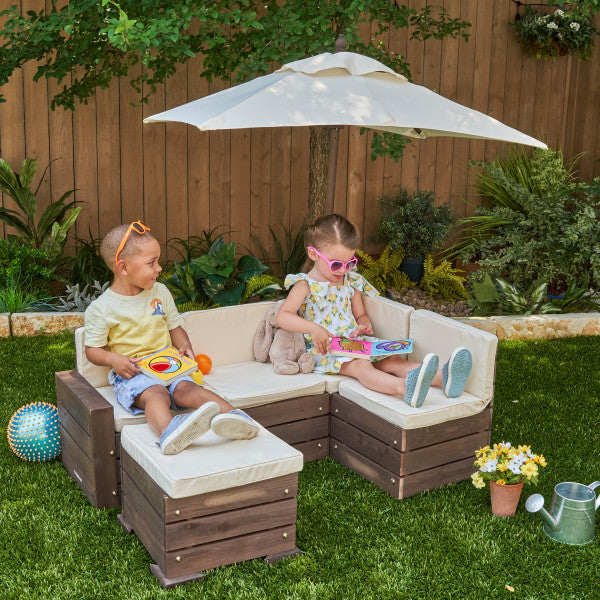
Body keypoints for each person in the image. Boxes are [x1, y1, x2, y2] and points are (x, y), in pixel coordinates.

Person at [84, 221, 259, 454]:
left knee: (188, 388)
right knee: (156, 394)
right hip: (134, 374)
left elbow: (174, 327)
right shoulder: (102, 308)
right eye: (151, 263)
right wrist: (114, 360)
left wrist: (184, 346)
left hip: (170, 366)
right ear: (123, 267)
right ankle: (169, 432)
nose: (159, 268)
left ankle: (234, 417)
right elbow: (92, 350)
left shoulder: (160, 292)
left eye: (158, 261)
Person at [276, 214, 472, 408]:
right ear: (313, 255)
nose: (343, 270)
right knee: (361, 366)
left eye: (349, 263)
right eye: (336, 264)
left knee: (392, 360)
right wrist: (313, 329)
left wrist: (363, 325)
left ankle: (444, 378)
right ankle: (404, 388)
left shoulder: (350, 282)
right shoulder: (305, 285)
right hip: (325, 350)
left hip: (354, 343)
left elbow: (360, 315)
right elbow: (282, 317)